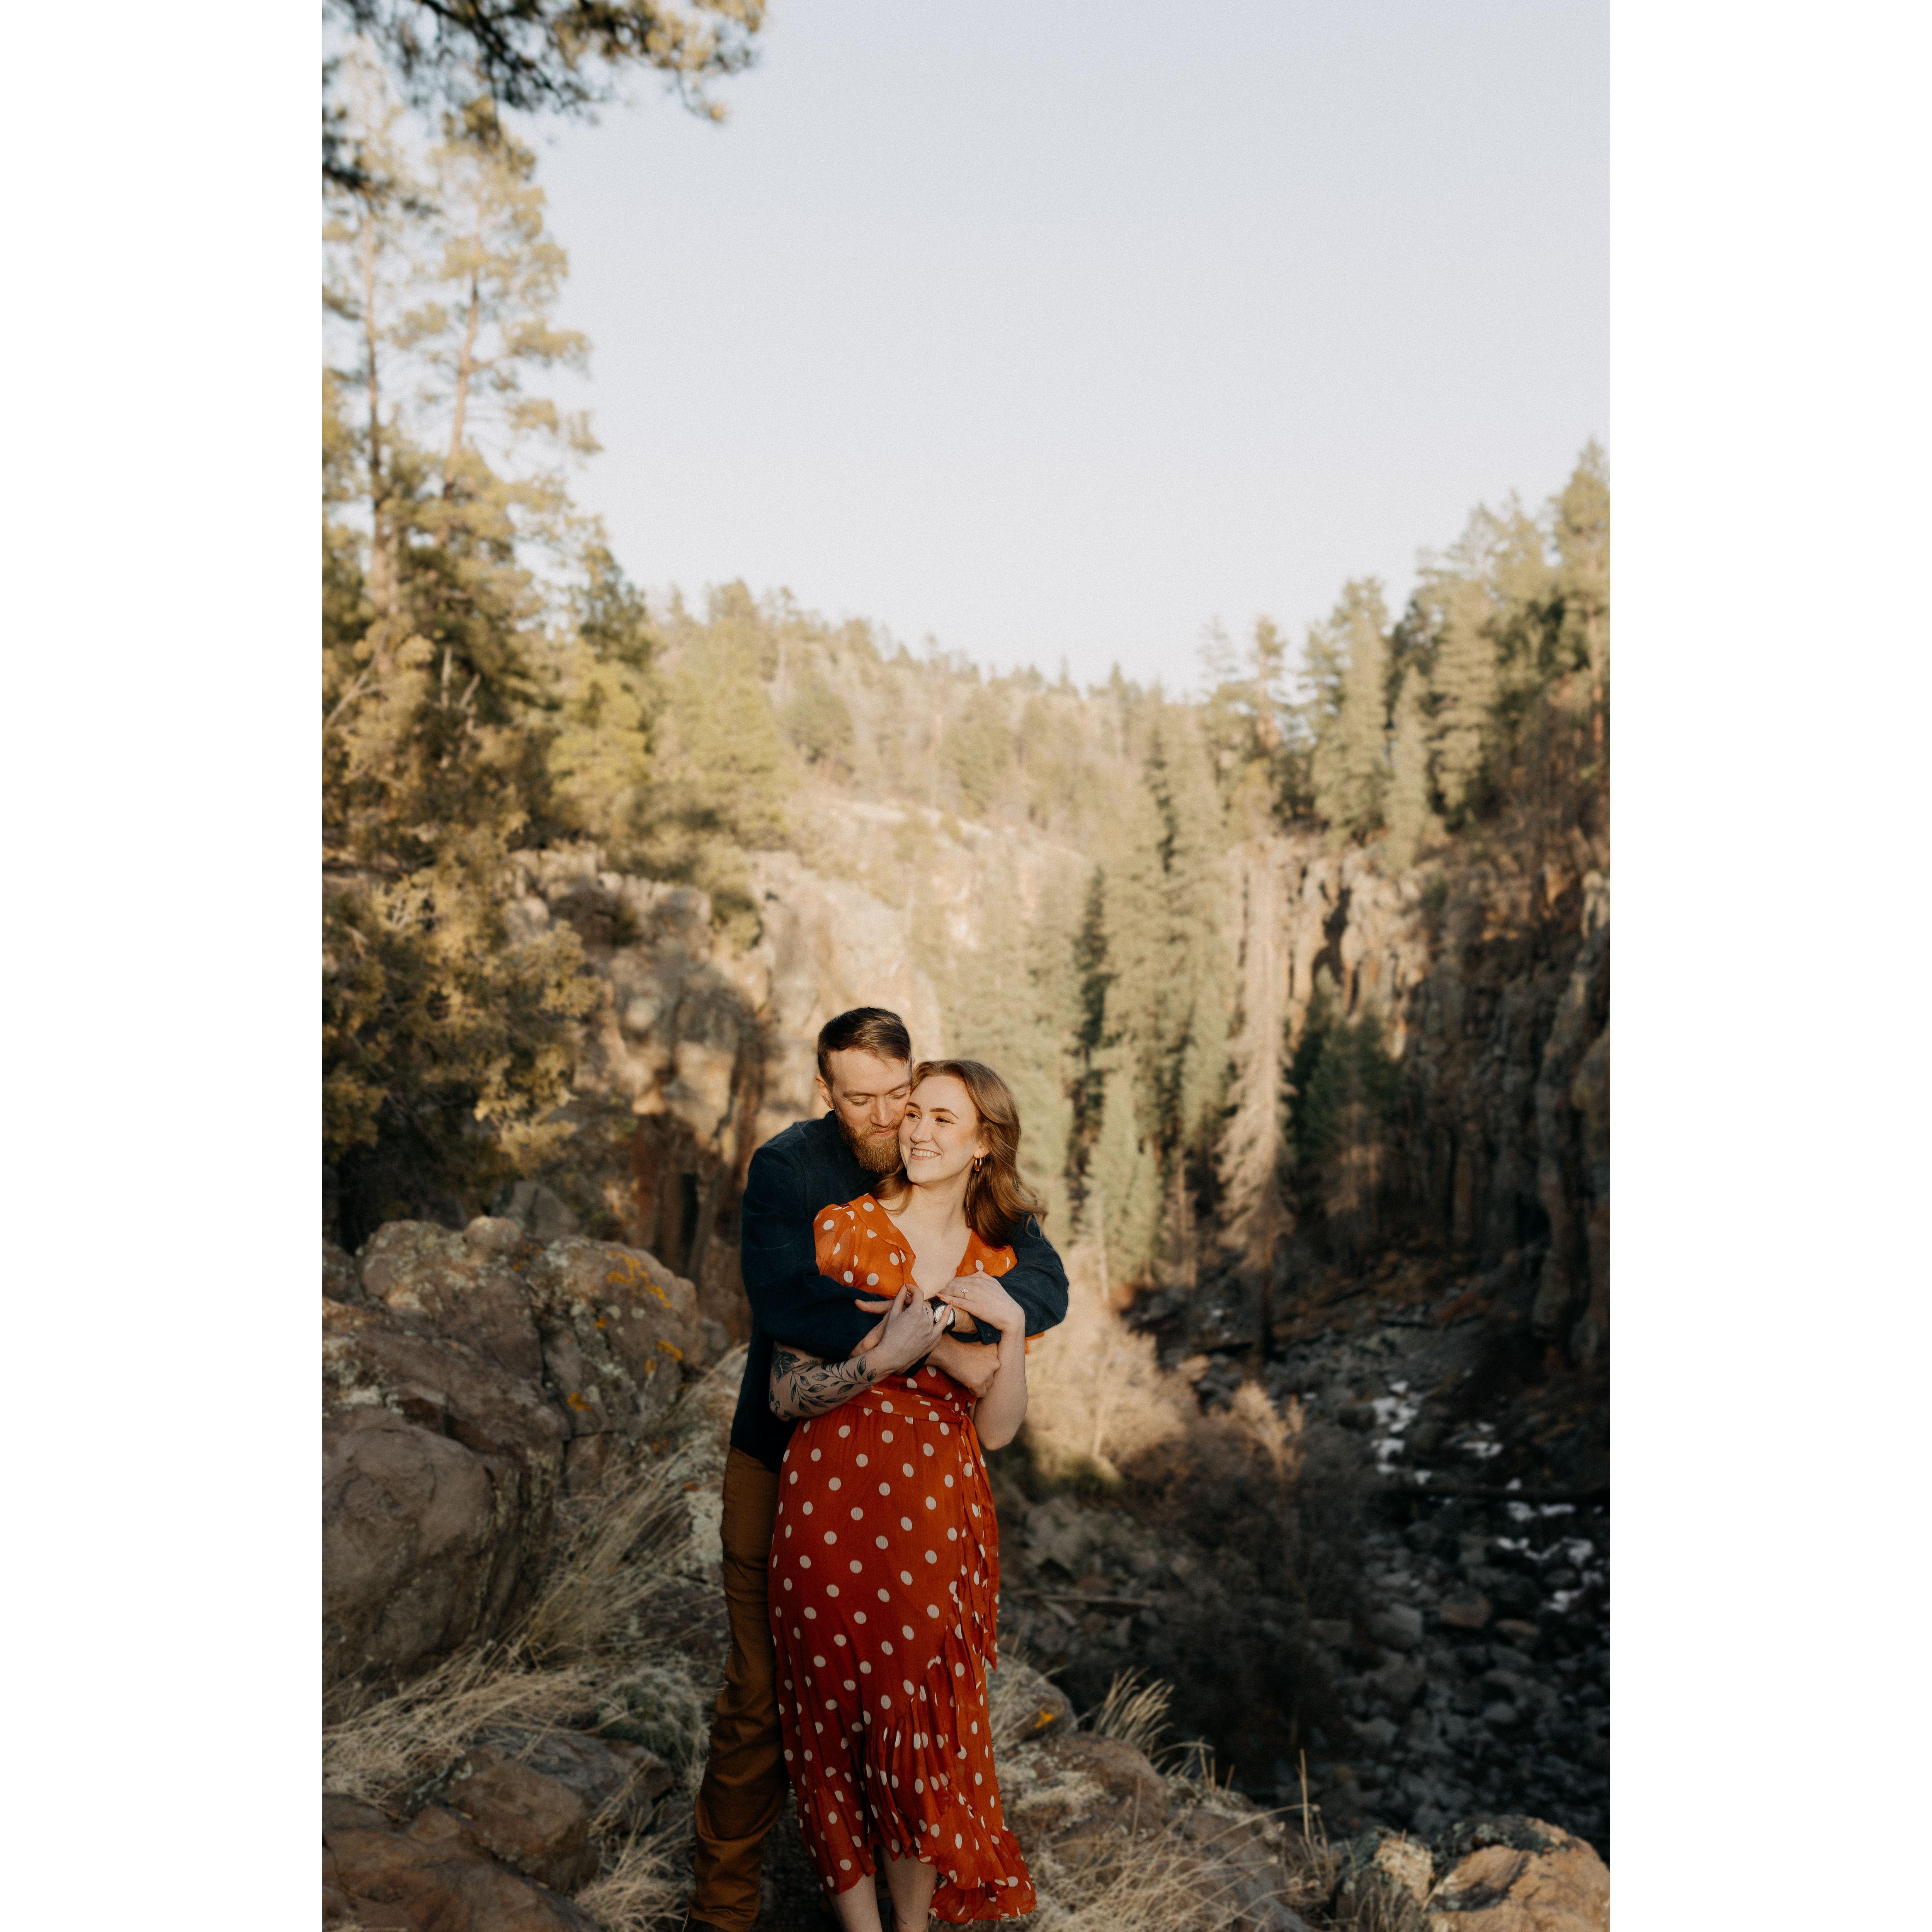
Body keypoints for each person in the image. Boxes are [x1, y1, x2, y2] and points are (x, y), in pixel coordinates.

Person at [687, 1010, 1068, 1932]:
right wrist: (907, 1346)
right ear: (828, 1093)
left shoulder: (990, 1231)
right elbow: (785, 1317)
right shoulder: (799, 1179)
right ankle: (722, 1912)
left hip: (930, 1506)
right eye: (869, 1101)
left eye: (911, 1099)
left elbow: (1040, 1292)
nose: (897, 1120)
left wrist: (970, 1331)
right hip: (796, 1467)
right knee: (769, 1700)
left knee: (916, 1719)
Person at [764, 1058, 1039, 1929]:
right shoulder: (842, 1230)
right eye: (913, 1112)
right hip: (828, 1501)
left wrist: (1011, 1331)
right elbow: (784, 1392)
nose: (917, 1130)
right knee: (828, 1723)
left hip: (934, 1514)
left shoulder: (998, 1264)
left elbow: (998, 1430)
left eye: (942, 1119)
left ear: (984, 1143)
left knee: (918, 1722)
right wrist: (882, 1359)